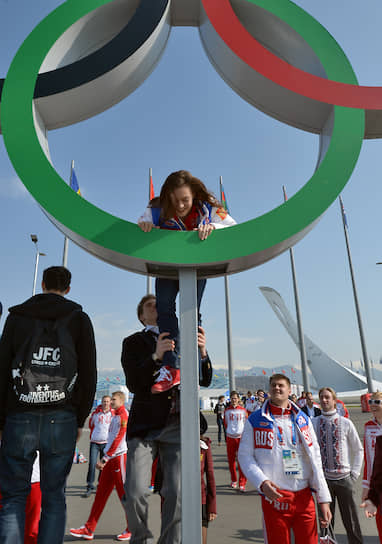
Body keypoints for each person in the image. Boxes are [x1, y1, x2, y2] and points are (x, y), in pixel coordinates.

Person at [0, 266, 97, 544]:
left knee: (13, 497)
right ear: (68, 288)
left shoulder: (17, 318)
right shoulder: (79, 319)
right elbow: (89, 373)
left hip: (20, 414)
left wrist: (1, 420)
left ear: (42, 284)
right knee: (54, 498)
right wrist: (79, 418)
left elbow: (2, 368)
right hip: (62, 415)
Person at [121, 294, 212, 544]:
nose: (157, 307)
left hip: (180, 424)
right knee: (136, 490)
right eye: (151, 305)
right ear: (142, 315)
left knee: (177, 493)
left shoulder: (183, 338)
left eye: (160, 304)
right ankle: (139, 538)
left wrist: (202, 353)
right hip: (145, 426)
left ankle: (169, 541)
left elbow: (204, 380)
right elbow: (133, 383)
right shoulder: (133, 342)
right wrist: (155, 357)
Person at [138, 170, 236, 392]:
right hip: (167, 266)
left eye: (185, 200)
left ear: (194, 195)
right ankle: (172, 366)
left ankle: (196, 362)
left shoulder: (207, 208)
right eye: (175, 201)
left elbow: (232, 226)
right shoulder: (157, 208)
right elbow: (141, 222)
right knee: (164, 307)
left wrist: (214, 227)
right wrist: (145, 226)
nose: (180, 206)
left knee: (192, 309)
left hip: (195, 266)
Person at [238, 374, 332, 544]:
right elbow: (245, 456)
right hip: (275, 497)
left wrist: (323, 499)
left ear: (289, 390)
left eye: (281, 385)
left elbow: (316, 458)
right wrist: (262, 482)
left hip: (304, 496)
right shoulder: (255, 419)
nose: (277, 388)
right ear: (269, 390)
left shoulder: (303, 419)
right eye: (273, 385)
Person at [70, 391, 131, 541]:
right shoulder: (114, 415)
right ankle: (89, 528)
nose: (111, 402)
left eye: (114, 400)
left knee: (124, 495)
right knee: (100, 495)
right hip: (110, 459)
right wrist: (106, 458)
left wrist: (105, 458)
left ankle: (132, 528)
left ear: (122, 400)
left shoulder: (123, 415)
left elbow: (118, 439)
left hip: (118, 458)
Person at [313, 387, 363, 544]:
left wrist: (354, 474)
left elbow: (358, 449)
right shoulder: (314, 422)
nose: (324, 400)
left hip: (344, 479)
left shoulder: (345, 423)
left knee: (351, 521)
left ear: (335, 400)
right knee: (325, 522)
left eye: (328, 397)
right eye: (321, 397)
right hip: (324, 481)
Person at [360, 391, 382, 539]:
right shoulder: (368, 426)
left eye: (377, 402)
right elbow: (368, 459)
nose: (373, 405)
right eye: (371, 402)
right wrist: (366, 487)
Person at [83, 395, 114, 498]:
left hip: (106, 443)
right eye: (104, 401)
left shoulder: (112, 414)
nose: (105, 403)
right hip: (95, 442)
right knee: (92, 464)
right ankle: (89, 485)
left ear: (110, 403)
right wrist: (94, 435)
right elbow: (91, 425)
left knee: (103, 466)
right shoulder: (96, 413)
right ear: (102, 402)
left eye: (107, 401)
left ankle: (101, 484)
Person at [224, 390, 247, 492]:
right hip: (230, 437)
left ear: (238, 399)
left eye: (235, 398)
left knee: (241, 460)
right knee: (231, 460)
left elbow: (246, 423)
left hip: (240, 437)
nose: (234, 400)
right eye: (232, 398)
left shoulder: (243, 411)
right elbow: (226, 423)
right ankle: (234, 480)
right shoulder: (227, 411)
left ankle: (242, 483)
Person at [199, 413, 217, 544]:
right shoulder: (172, 446)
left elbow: (210, 476)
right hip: (178, 499)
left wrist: (212, 507)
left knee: (201, 530)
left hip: (200, 499)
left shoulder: (204, 446)